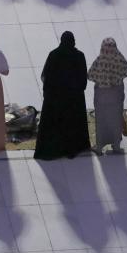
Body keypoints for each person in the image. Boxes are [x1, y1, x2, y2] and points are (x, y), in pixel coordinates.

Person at [34, 31, 91, 160]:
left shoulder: (54, 55)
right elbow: (83, 78)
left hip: (55, 98)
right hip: (73, 98)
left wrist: (49, 93)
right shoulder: (79, 55)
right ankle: (72, 148)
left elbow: (46, 77)